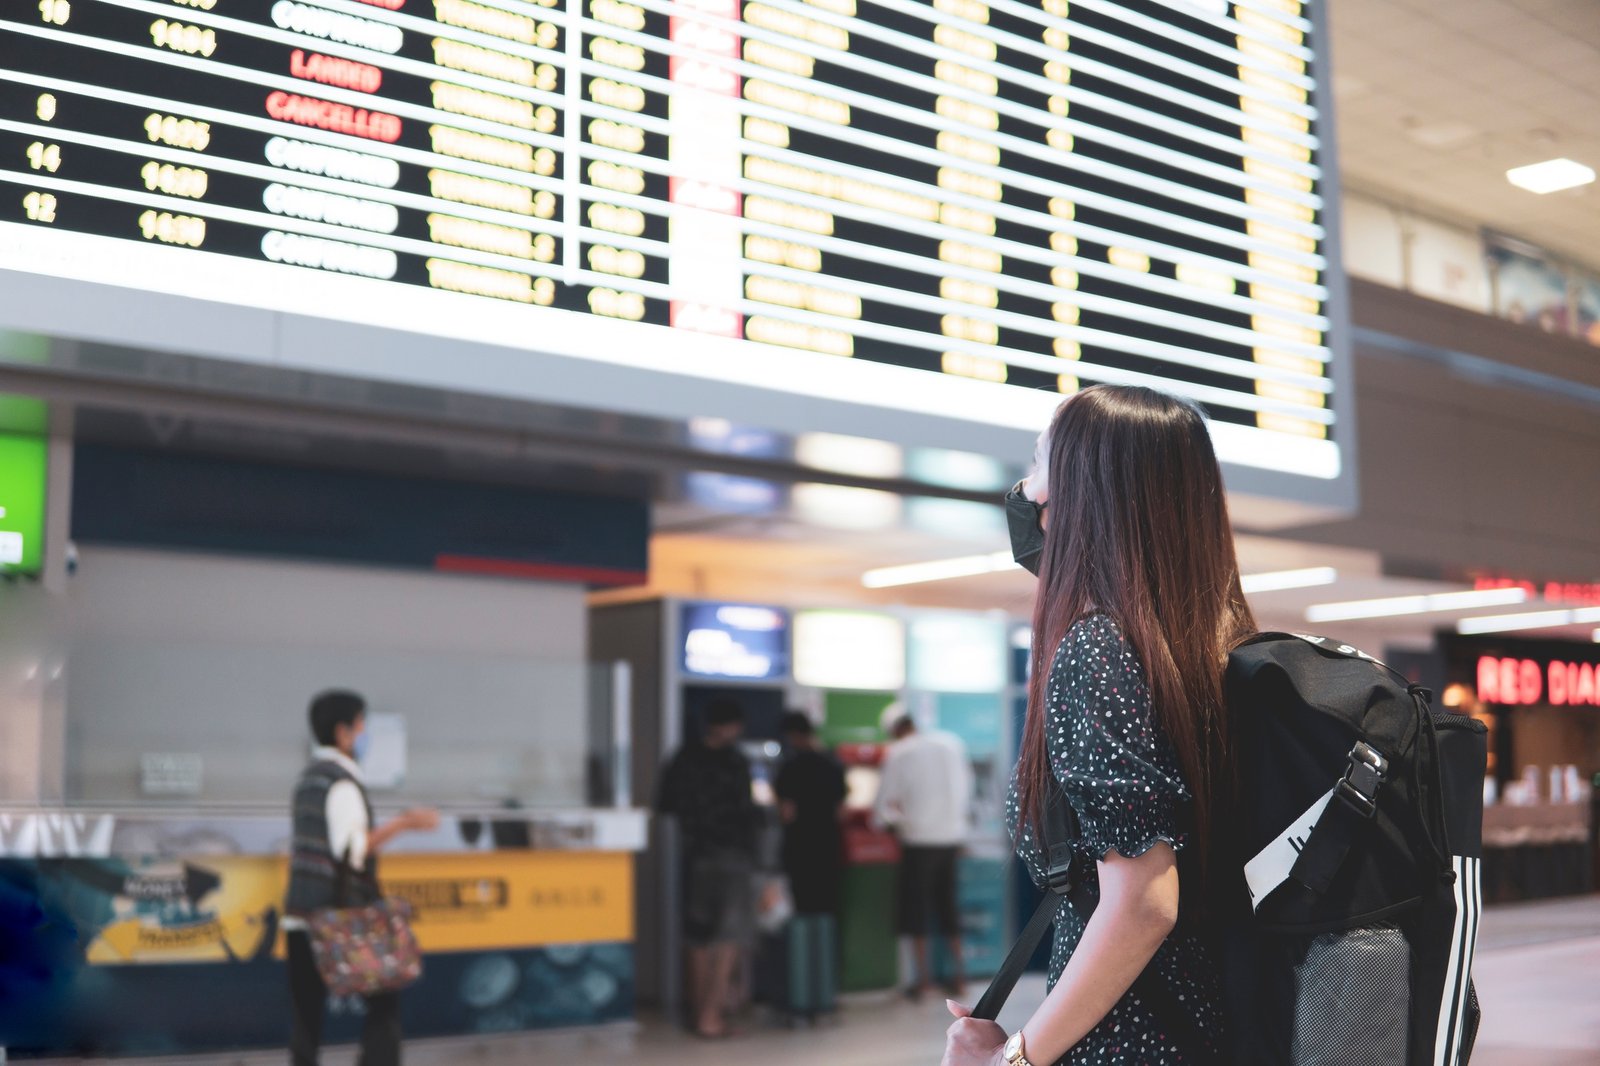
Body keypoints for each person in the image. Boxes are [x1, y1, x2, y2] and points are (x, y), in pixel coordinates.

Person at [944, 384, 1256, 1066]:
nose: (1024, 491)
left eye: (1038, 462)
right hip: (1216, 1024)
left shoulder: (1097, 648)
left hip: (1138, 1043)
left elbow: (1143, 902)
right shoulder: (1218, 646)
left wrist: (1017, 1058)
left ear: (1084, 488)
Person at [283, 691, 439, 1066]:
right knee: (384, 1001)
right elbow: (353, 851)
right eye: (361, 725)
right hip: (340, 922)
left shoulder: (308, 780)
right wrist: (406, 822)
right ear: (343, 733)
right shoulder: (342, 785)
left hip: (300, 915)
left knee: (306, 1017)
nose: (365, 733)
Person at [655, 698, 759, 1038]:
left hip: (694, 855)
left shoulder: (683, 757)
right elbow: (747, 812)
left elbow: (666, 804)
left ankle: (696, 1010)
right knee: (728, 939)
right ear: (731, 726)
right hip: (731, 857)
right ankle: (711, 1017)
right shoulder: (735, 761)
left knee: (696, 937)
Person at [875, 701, 973, 1001]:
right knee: (948, 910)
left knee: (916, 913)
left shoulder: (899, 752)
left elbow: (882, 809)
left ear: (894, 730)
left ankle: (924, 981)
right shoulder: (951, 744)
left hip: (917, 843)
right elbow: (966, 789)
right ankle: (959, 977)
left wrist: (893, 822)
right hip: (951, 841)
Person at [773, 710, 848, 1019]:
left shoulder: (789, 766)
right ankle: (826, 994)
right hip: (828, 852)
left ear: (792, 735)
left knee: (802, 918)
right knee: (828, 918)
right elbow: (840, 810)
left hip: (799, 852)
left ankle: (801, 996)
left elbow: (785, 812)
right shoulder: (833, 763)